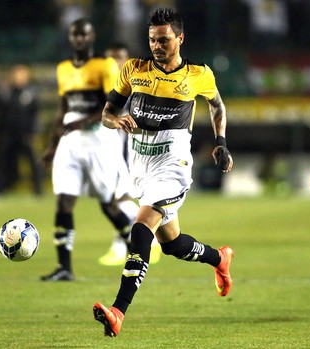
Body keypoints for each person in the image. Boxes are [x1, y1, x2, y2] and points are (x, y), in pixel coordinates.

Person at [92, 7, 235, 337]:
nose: (157, 45)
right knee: (170, 243)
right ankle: (219, 258)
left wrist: (221, 141)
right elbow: (107, 113)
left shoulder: (198, 74)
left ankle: (118, 310)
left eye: (164, 40)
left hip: (173, 168)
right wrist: (117, 121)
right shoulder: (133, 70)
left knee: (141, 227)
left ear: (180, 39)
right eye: (153, 40)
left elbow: (217, 105)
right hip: (141, 168)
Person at [40, 18, 137, 281]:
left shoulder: (104, 66)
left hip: (98, 141)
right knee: (64, 200)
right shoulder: (63, 69)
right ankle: (64, 268)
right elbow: (63, 109)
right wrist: (52, 146)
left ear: (92, 37)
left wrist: (83, 121)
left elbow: (112, 105)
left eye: (84, 35)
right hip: (70, 143)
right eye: (75, 35)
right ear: (70, 38)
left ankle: (135, 252)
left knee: (108, 204)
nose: (79, 39)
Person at [99, 41, 162, 267]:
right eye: (110, 58)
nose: (113, 63)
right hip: (107, 144)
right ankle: (124, 242)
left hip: (127, 145)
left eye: (118, 58)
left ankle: (148, 238)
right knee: (113, 197)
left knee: (117, 197)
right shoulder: (103, 81)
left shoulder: (134, 81)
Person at [0, 64, 43, 196]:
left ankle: (38, 188)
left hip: (24, 134)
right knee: (0, 161)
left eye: (22, 74)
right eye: (17, 74)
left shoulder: (31, 93)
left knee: (33, 161)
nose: (19, 78)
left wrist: (33, 131)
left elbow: (35, 114)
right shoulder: (5, 91)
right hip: (6, 133)